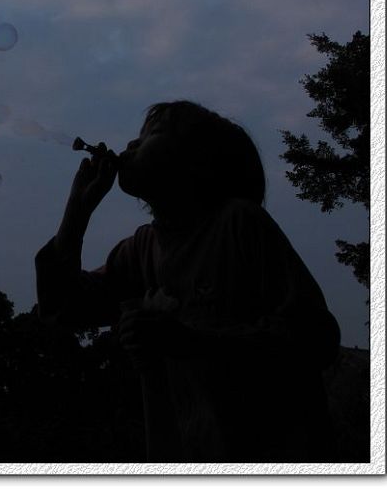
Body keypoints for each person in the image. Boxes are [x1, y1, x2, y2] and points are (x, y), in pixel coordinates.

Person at [35, 100, 341, 462]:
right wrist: (77, 212)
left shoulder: (239, 224)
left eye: (152, 135)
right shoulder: (141, 249)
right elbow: (62, 309)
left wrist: (191, 340)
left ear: (197, 163)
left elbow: (316, 339)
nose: (131, 145)